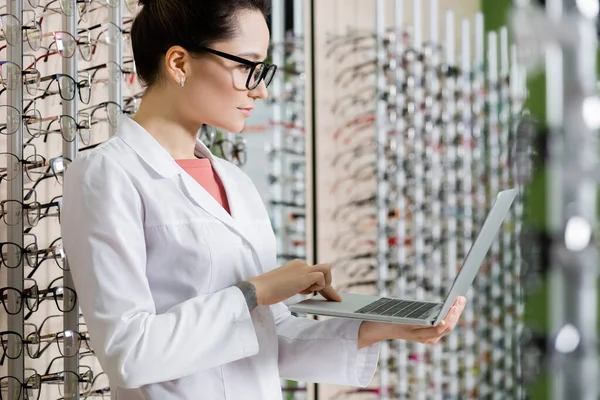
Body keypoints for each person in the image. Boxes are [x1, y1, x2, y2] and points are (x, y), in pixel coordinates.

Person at [60, 1, 467, 399]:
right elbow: (128, 353)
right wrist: (256, 290)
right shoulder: (106, 175)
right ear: (179, 63)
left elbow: (266, 338)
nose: (262, 91)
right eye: (245, 67)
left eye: (262, 69)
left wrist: (385, 326)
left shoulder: (235, 182)